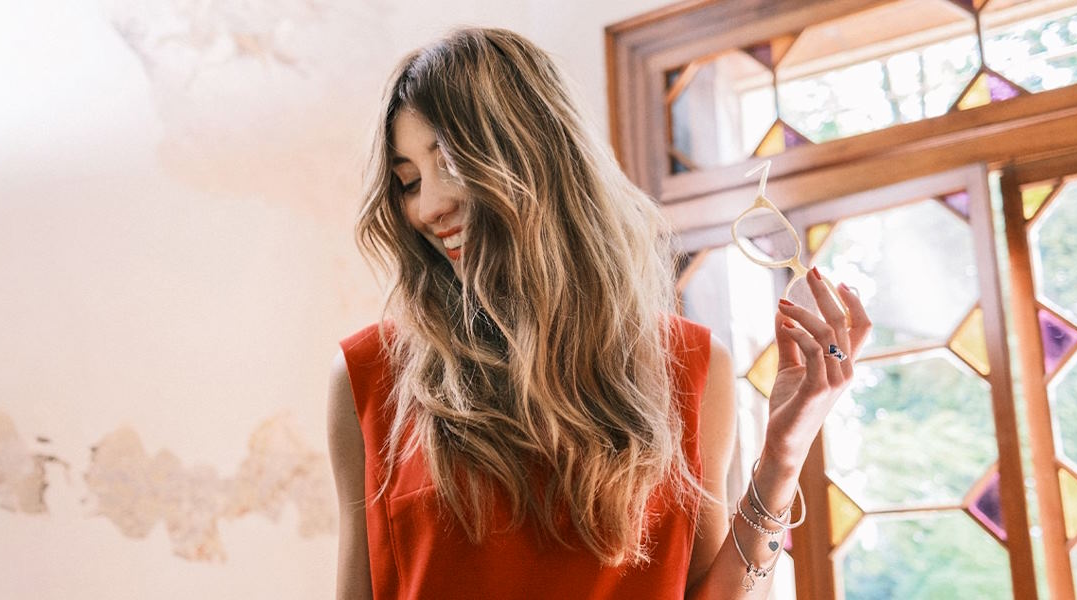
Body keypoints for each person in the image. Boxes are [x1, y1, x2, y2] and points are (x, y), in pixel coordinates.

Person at [327, 27, 871, 599]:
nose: (429, 206)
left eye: (453, 165)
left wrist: (783, 456)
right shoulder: (368, 378)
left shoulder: (688, 365)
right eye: (408, 181)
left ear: (538, 155)